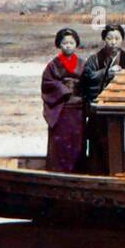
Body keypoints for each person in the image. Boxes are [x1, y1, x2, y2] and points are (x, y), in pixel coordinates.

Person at [41, 28, 86, 173]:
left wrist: (82, 94)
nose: (68, 45)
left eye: (71, 42)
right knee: (60, 142)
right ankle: (57, 171)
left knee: (77, 141)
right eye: (64, 42)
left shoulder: (82, 63)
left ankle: (77, 171)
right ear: (59, 44)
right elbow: (48, 83)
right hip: (61, 108)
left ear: (76, 44)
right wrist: (64, 90)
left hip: (78, 108)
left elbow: (88, 82)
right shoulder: (53, 65)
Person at [80, 23, 125, 101]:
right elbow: (87, 77)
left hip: (121, 100)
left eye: (117, 39)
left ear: (122, 39)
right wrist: (106, 72)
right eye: (109, 38)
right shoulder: (94, 59)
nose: (113, 42)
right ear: (104, 39)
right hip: (98, 101)